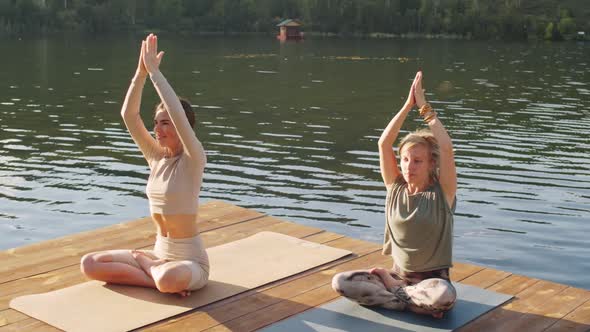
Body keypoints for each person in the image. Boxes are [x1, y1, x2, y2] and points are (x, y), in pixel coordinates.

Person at [80, 34, 208, 297]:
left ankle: (150, 269)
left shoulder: (194, 159)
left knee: (170, 278)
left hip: (190, 262)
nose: (157, 129)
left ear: (181, 125)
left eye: (165, 123)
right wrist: (139, 74)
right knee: (90, 264)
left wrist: (155, 75)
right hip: (159, 252)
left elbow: (176, 111)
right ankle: (152, 272)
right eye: (156, 122)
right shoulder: (156, 157)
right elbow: (129, 115)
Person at [331, 71, 457, 318]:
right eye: (406, 159)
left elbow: (446, 147)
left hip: (431, 283)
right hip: (398, 275)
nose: (409, 166)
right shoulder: (395, 187)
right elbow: (383, 144)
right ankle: (405, 298)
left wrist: (423, 107)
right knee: (341, 282)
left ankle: (395, 295)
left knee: (443, 296)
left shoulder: (443, 194)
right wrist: (406, 105)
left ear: (432, 164)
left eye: (418, 161)